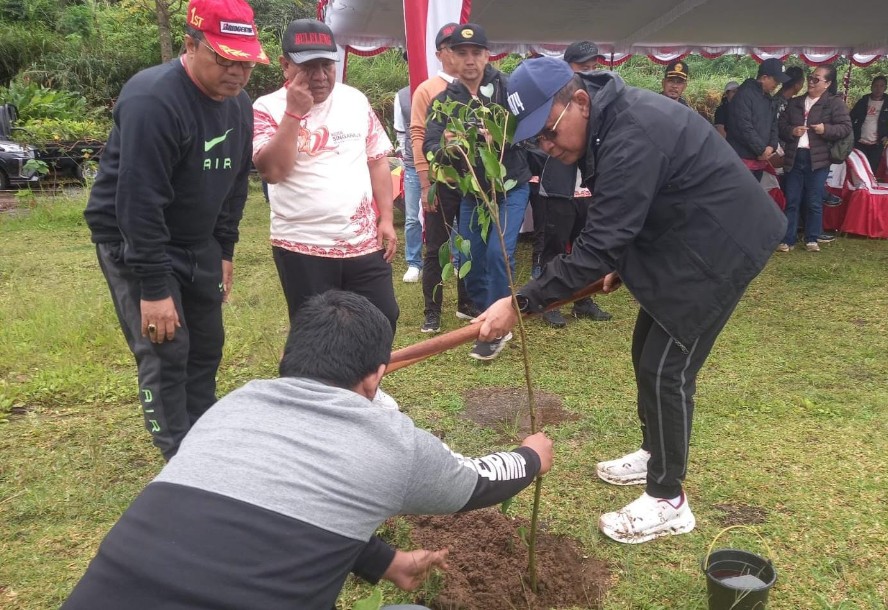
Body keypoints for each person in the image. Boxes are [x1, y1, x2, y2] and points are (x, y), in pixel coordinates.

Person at [61, 290, 554, 610]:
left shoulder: (231, 408)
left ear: (288, 358)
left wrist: (383, 561)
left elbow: (281, 506)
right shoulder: (392, 443)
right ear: (375, 376)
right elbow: (476, 482)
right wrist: (532, 455)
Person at [482, 57, 785, 543]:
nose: (545, 146)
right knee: (646, 354)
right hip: (684, 238)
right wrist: (623, 266)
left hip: (719, 248)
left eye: (548, 132)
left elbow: (600, 240)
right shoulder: (609, 121)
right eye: (534, 138)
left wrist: (519, 303)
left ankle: (668, 498)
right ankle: (653, 451)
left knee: (667, 370)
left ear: (579, 101)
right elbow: (636, 210)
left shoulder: (632, 134)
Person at [83, 0, 268, 461]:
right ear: (190, 45)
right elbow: (138, 201)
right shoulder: (153, 100)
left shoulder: (239, 105)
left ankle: (203, 446)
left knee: (206, 345)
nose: (238, 73)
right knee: (166, 350)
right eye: (225, 59)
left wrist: (224, 251)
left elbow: (234, 187)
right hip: (135, 239)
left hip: (198, 240)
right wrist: (154, 287)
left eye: (245, 62)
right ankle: (178, 461)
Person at [253, 19, 398, 330]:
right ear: (285, 66)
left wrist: (385, 216)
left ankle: (366, 380)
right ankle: (322, 381)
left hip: (363, 241)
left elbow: (377, 161)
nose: (319, 76)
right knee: (318, 332)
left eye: (326, 65)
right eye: (309, 67)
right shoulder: (266, 108)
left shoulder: (354, 100)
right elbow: (273, 172)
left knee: (382, 318)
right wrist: (293, 113)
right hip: (302, 244)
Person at [424, 23, 531, 361]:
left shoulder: (509, 90)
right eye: (461, 53)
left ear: (487, 55)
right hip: (473, 193)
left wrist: (500, 136)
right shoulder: (444, 101)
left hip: (510, 186)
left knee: (500, 254)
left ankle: (498, 327)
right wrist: (446, 145)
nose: (469, 60)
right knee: (471, 257)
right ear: (450, 57)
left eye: (476, 53)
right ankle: (487, 312)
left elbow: (530, 132)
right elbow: (429, 144)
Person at [527, 46, 612, 328]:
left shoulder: (603, 105)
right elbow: (532, 143)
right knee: (552, 247)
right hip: (558, 189)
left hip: (588, 191)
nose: (589, 72)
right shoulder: (551, 101)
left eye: (592, 66)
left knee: (586, 245)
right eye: (582, 67)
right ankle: (549, 302)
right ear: (568, 68)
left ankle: (583, 300)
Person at [412, 23, 477, 333]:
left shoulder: (478, 87)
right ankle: (432, 311)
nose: (460, 55)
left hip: (474, 183)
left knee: (469, 244)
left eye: (466, 49)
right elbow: (418, 136)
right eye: (452, 49)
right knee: (437, 247)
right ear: (440, 54)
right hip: (443, 181)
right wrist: (426, 184)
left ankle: (466, 302)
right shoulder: (428, 90)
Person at [777, 64, 852, 252]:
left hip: (818, 159)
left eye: (816, 79)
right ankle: (788, 240)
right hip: (795, 157)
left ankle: (812, 238)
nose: (811, 81)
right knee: (792, 199)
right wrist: (791, 131)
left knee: (814, 199)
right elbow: (780, 126)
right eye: (811, 77)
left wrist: (826, 129)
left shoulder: (834, 103)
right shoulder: (795, 102)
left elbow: (845, 127)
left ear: (827, 83)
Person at [727, 58, 791, 181]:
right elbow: (744, 126)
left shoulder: (768, 98)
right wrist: (761, 149)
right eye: (776, 81)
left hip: (761, 159)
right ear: (764, 77)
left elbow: (774, 124)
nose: (777, 85)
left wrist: (771, 146)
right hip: (743, 159)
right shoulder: (744, 94)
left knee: (754, 197)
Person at [394, 55, 423, 283]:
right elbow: (400, 132)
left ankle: (456, 260)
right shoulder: (402, 95)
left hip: (443, 164)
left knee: (450, 215)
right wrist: (405, 160)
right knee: (412, 217)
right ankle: (414, 262)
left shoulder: (443, 89)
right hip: (413, 165)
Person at [850, 75, 888, 173]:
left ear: (885, 88)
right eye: (876, 86)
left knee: (871, 169)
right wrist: (852, 133)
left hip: (877, 143)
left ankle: (869, 187)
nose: (878, 89)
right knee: (858, 168)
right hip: (860, 141)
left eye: (881, 86)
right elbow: (851, 117)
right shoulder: (863, 101)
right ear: (871, 87)